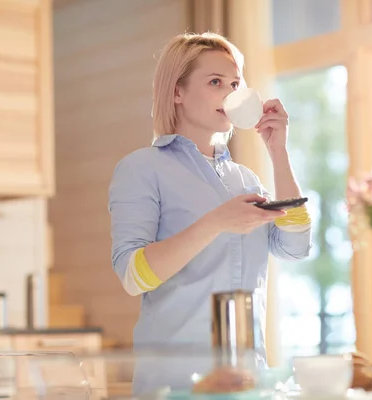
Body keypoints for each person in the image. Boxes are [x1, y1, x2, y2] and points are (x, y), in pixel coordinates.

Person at [108, 32, 311, 393]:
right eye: (215, 82)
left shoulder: (246, 180)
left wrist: (278, 152)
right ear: (177, 92)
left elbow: (295, 247)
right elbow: (133, 275)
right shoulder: (141, 169)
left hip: (245, 384)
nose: (230, 93)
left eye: (235, 83)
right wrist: (216, 222)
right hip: (174, 388)